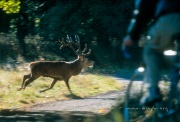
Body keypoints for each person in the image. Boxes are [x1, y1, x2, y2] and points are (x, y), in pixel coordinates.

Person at [122, 0, 180, 106]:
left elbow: (144, 11)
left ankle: (153, 92)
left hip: (170, 18)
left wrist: (132, 36)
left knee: (150, 51)